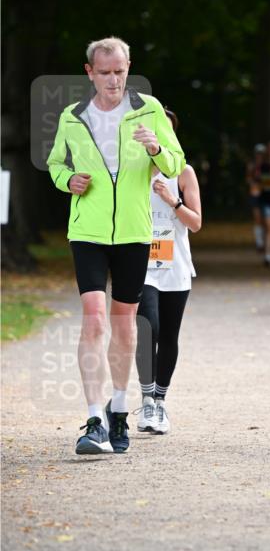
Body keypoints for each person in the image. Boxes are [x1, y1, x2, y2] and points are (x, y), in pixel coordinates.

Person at [47, 37, 185, 455]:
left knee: (125, 324)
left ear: (128, 68)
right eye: (105, 72)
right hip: (86, 230)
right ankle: (93, 419)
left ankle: (120, 409)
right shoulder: (73, 116)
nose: (113, 79)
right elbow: (56, 162)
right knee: (93, 319)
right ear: (89, 72)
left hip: (132, 233)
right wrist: (66, 181)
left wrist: (155, 147)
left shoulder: (149, 110)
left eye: (120, 71)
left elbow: (176, 162)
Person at [135, 109, 202, 435]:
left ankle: (160, 403)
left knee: (170, 335)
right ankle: (146, 400)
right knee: (149, 327)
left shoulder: (184, 173)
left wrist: (173, 201)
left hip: (175, 265)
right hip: (141, 265)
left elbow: (196, 223)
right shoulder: (133, 171)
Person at [246, 143, 266, 252]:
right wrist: (254, 184)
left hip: (267, 194)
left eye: (262, 154)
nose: (260, 155)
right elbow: (248, 178)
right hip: (255, 193)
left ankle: (264, 241)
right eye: (258, 153)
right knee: (258, 218)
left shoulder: (268, 165)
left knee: (265, 219)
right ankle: (260, 242)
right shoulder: (252, 165)